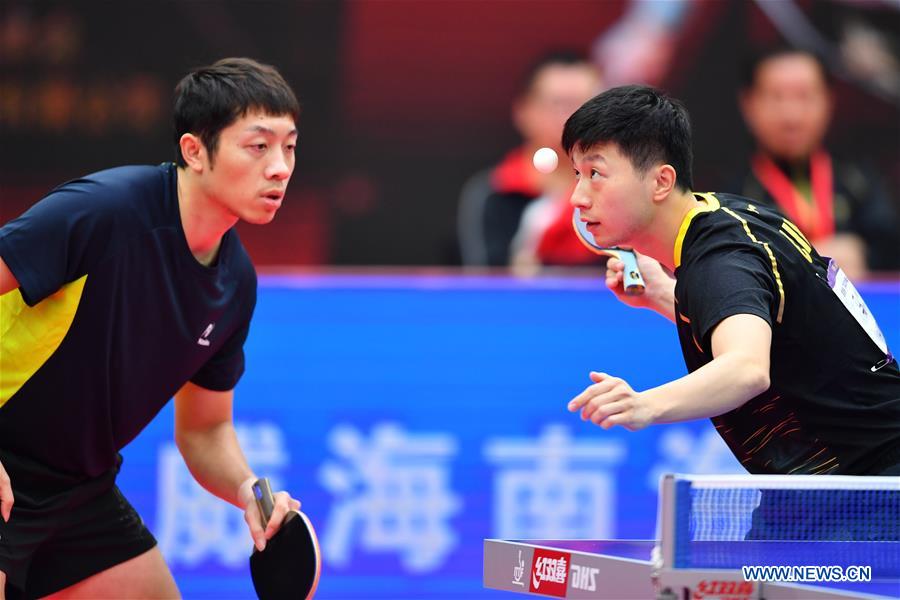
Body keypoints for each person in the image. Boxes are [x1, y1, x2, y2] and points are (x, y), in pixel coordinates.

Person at [0, 57, 303, 598]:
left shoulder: (236, 283)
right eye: (258, 146)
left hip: (76, 489)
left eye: (289, 146)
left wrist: (250, 492)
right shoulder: (103, 212)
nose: (279, 167)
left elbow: (204, 430)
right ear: (194, 151)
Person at [563, 85, 900, 477]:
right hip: (828, 479)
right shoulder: (730, 214)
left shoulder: (720, 258)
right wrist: (661, 295)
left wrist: (644, 405)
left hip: (868, 489)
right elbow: (768, 323)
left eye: (595, 174)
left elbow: (746, 369)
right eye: (577, 174)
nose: (577, 197)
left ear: (660, 181)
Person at [734, 45, 900, 279]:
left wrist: (864, 255)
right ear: (748, 104)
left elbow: (890, 249)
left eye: (804, 96)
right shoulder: (730, 198)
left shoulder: (859, 183)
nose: (791, 115)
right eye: (776, 97)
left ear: (829, 101)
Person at [456, 50, 602, 268]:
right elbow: (486, 285)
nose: (573, 117)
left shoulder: (622, 190)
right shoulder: (494, 193)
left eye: (586, 104)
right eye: (560, 104)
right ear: (524, 111)